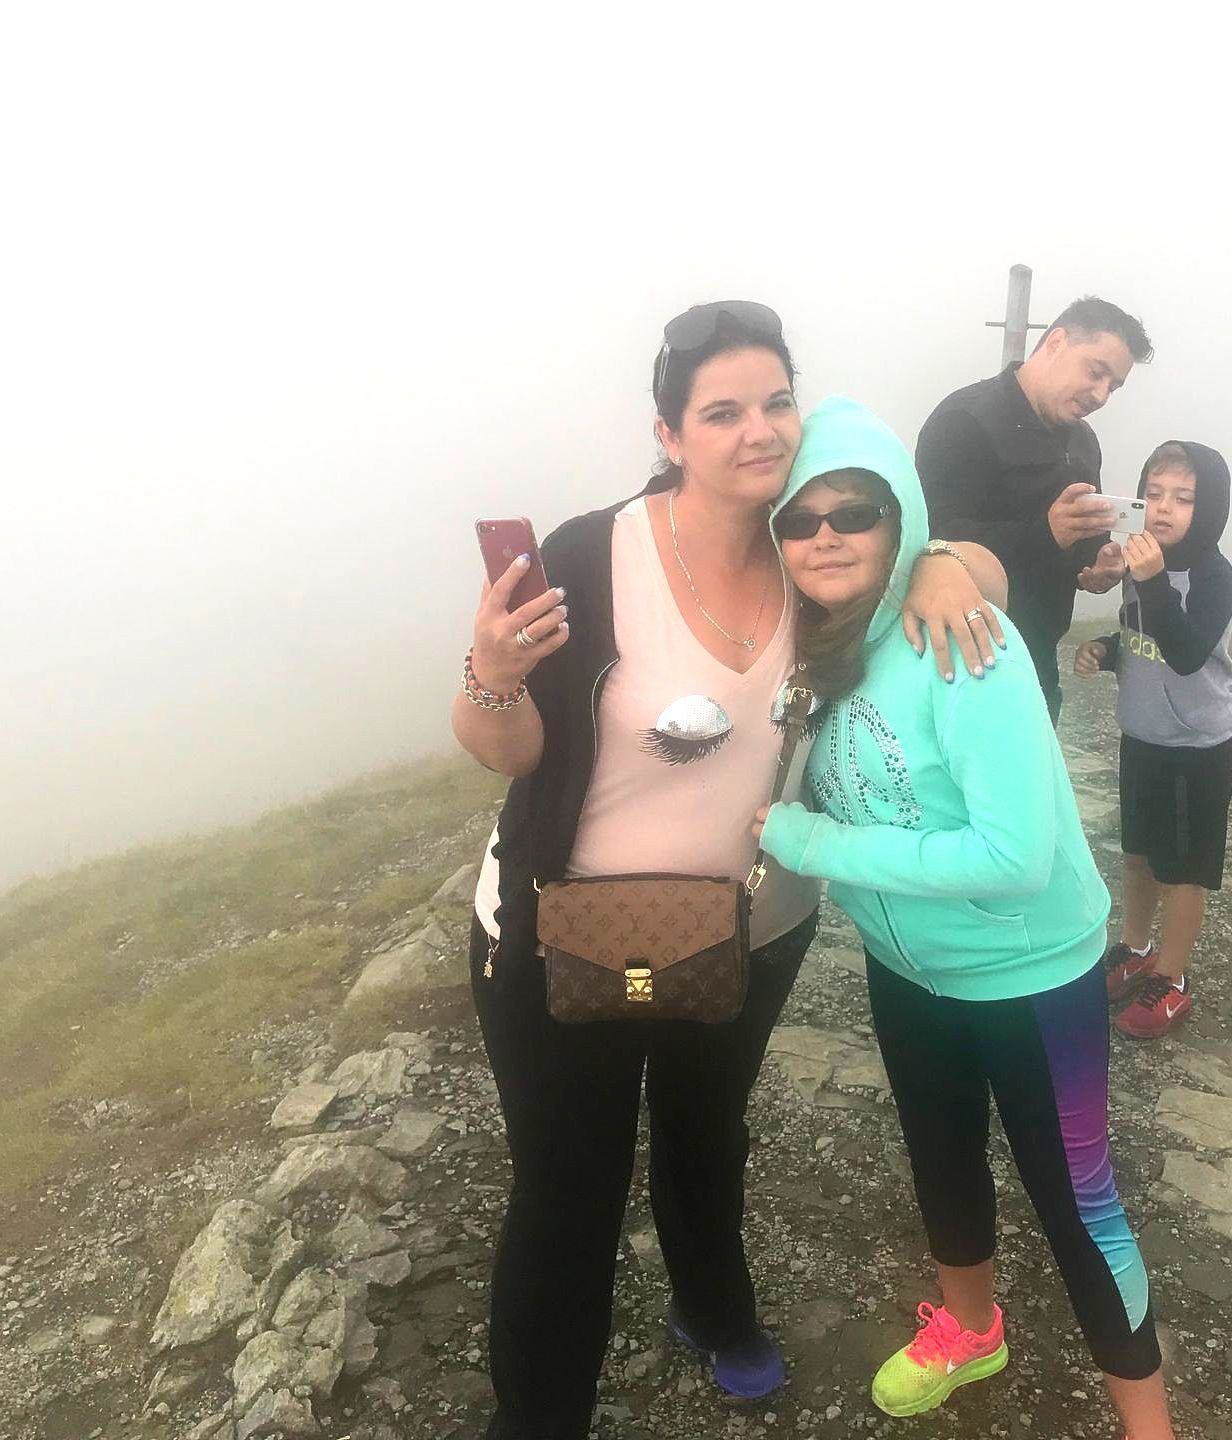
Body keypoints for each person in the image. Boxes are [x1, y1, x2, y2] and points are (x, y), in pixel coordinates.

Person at [451, 303, 1006, 1439]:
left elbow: (975, 555)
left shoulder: (818, 543)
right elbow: (506, 751)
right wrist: (494, 674)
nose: (758, 430)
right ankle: (539, 1417)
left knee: (710, 1129)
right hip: (566, 929)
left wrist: (944, 559)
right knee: (569, 1189)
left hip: (748, 925)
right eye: (722, 411)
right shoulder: (586, 557)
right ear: (670, 433)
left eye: (775, 401)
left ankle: (711, 1306)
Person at [756, 396, 1176, 1440]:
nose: (826, 537)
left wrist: (806, 844)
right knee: (940, 1160)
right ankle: (973, 1328)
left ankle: (1154, 1428)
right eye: (799, 521)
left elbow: (1013, 854)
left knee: (1078, 1206)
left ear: (899, 518)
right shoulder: (810, 646)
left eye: (856, 512)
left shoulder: (958, 636)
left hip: (1031, 978)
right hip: (909, 970)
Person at [916, 295, 1153, 722]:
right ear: (1057, 341)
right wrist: (1045, 533)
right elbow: (933, 542)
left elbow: (1078, 542)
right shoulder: (963, 421)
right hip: (960, 663)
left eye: (1113, 386)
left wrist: (1095, 565)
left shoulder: (1083, 442)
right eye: (1096, 372)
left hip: (1039, 663)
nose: (1101, 395)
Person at [1073, 441, 1232, 1040]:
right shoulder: (1143, 563)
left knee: (1182, 868)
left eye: (1184, 498)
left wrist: (1155, 581)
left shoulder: (1214, 576)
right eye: (1155, 494)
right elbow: (1139, 633)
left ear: (1212, 506)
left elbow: (1188, 653)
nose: (1164, 509)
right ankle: (1135, 948)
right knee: (1138, 852)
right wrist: (1106, 651)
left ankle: (1172, 977)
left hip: (1196, 746)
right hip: (1141, 735)